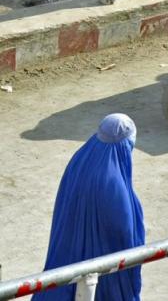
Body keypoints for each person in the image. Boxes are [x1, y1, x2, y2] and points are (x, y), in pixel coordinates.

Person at [33, 114, 145, 301]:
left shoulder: (80, 158)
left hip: (69, 245)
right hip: (104, 264)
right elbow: (124, 229)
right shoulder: (113, 180)